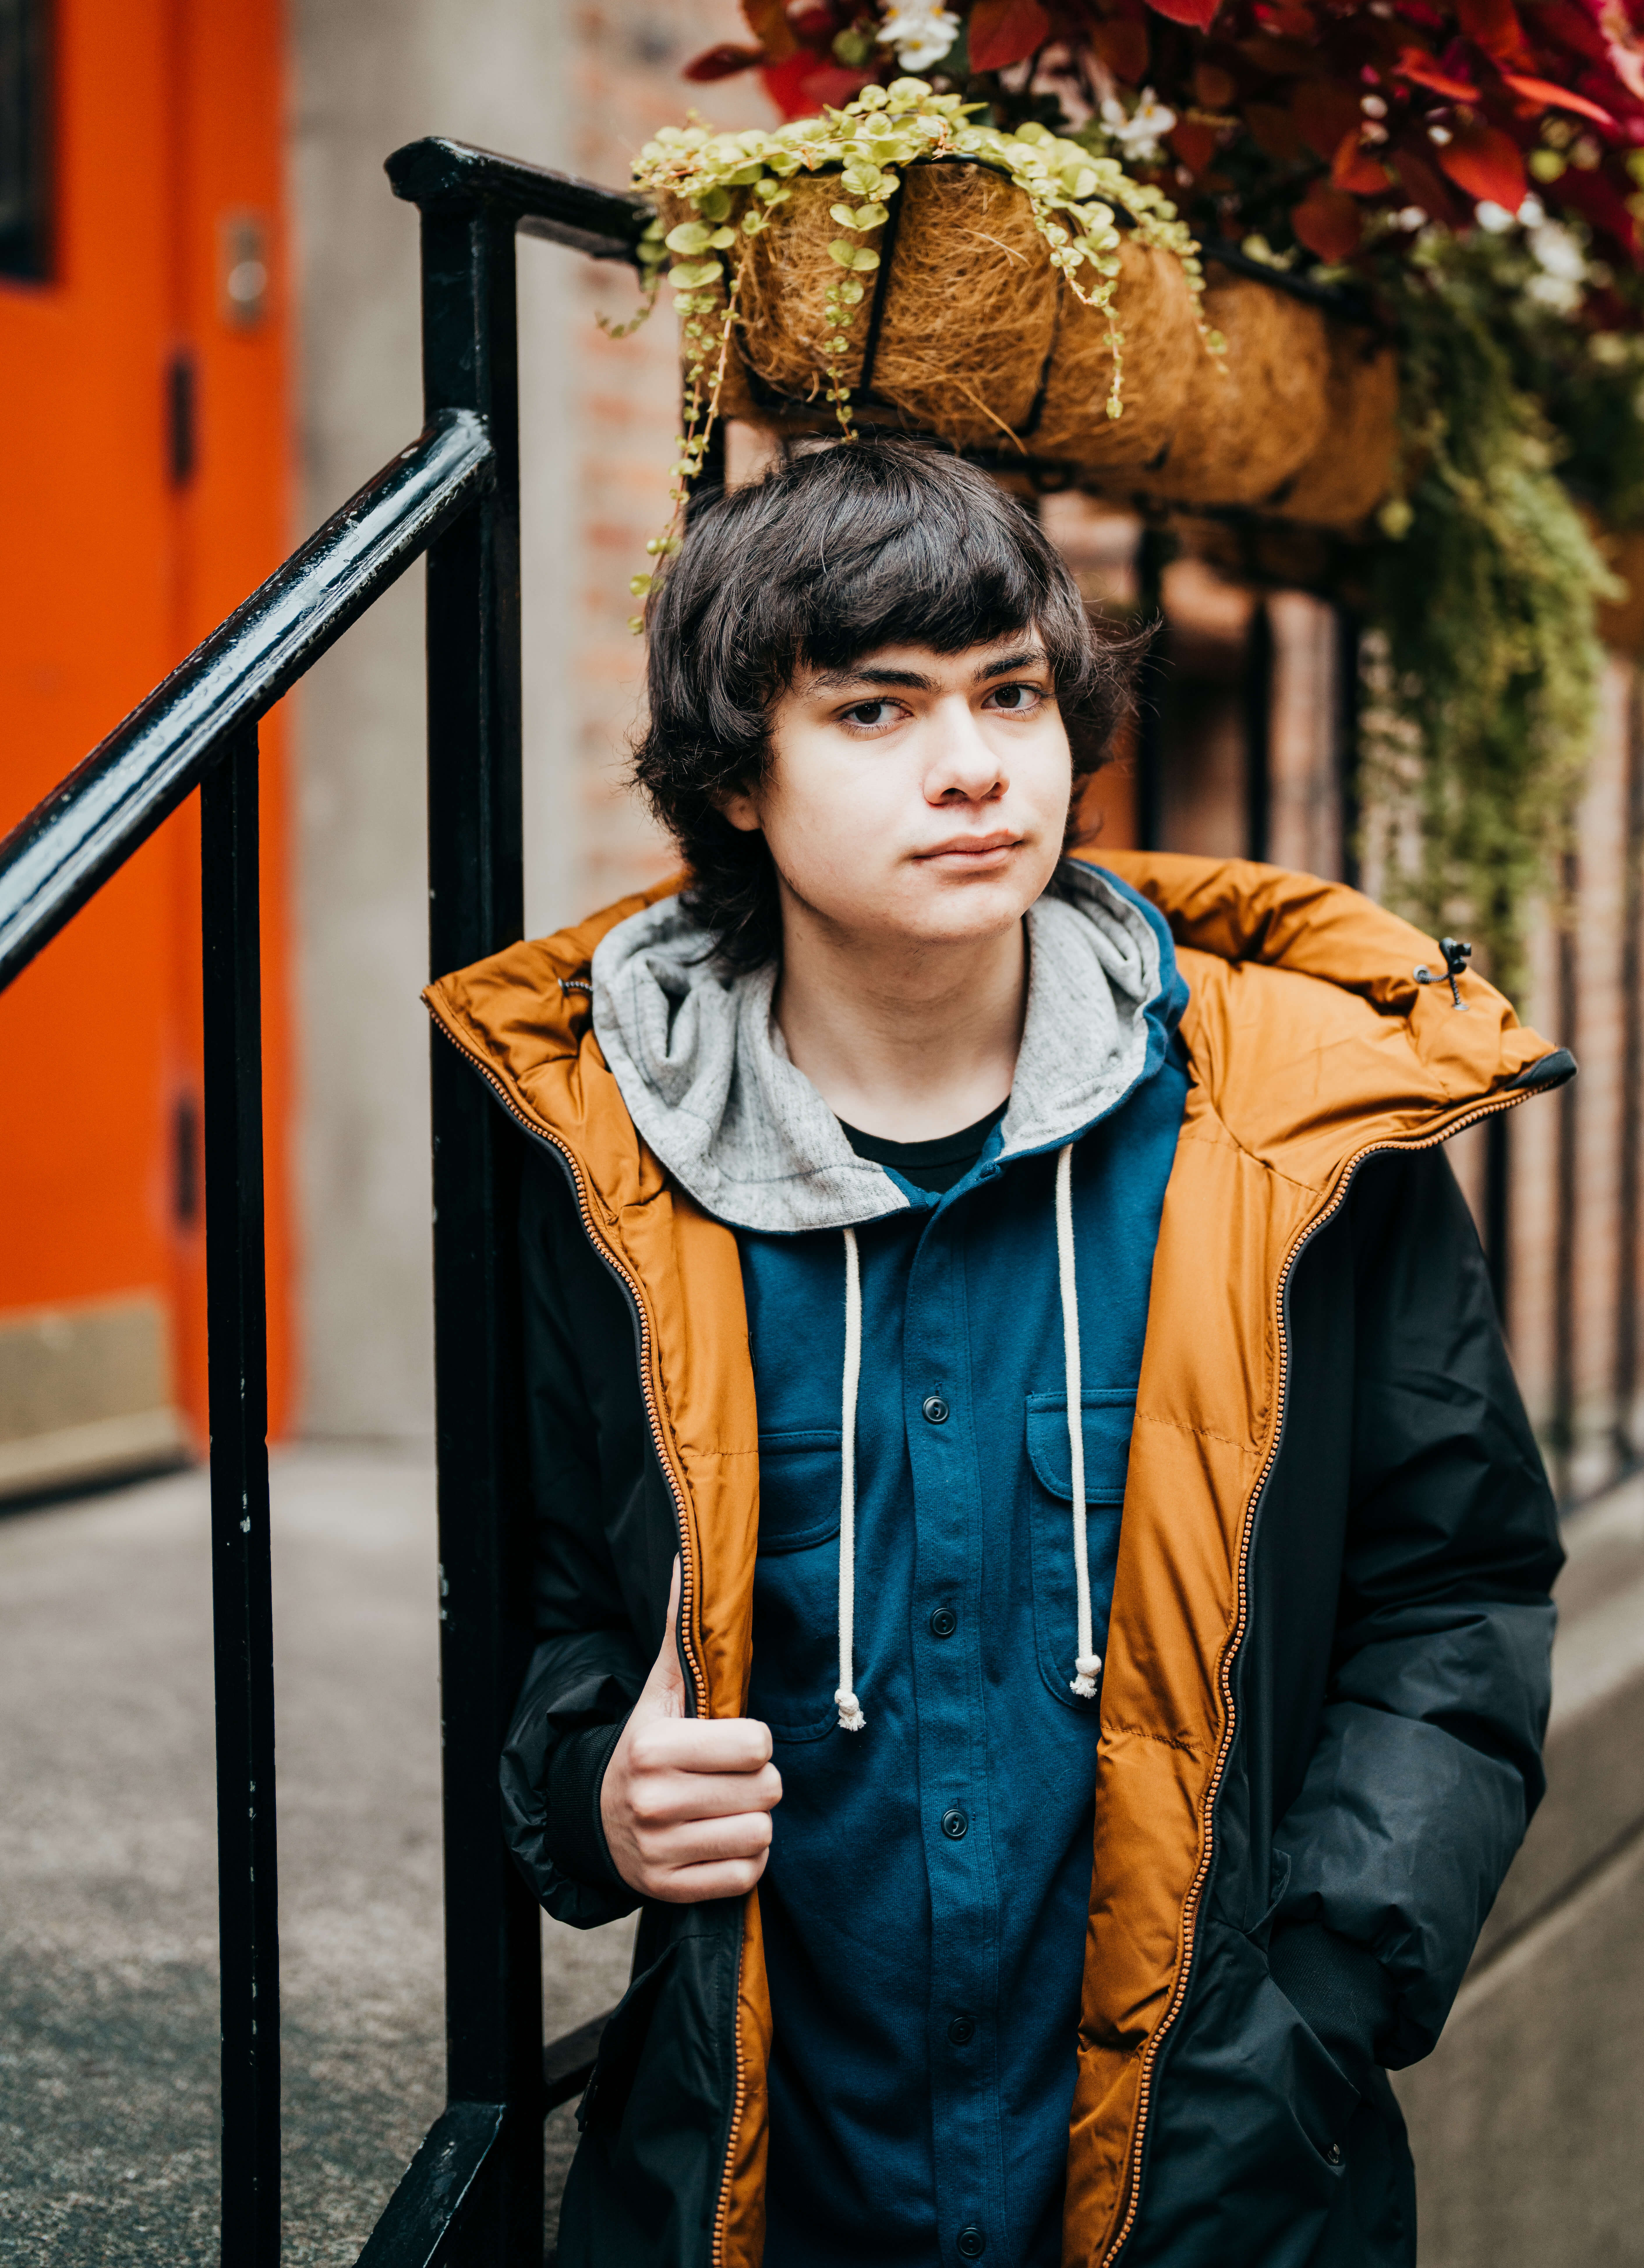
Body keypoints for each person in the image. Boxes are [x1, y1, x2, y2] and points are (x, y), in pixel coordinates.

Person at [424, 437, 1569, 2268]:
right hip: (766, 2188)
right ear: (736, 781)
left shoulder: (1296, 1132)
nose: (972, 767)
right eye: (874, 713)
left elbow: (1457, 1596)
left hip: (1217, 2180)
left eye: (1012, 696)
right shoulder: (604, 1170)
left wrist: (1326, 1999)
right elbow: (558, 1613)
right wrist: (597, 1793)